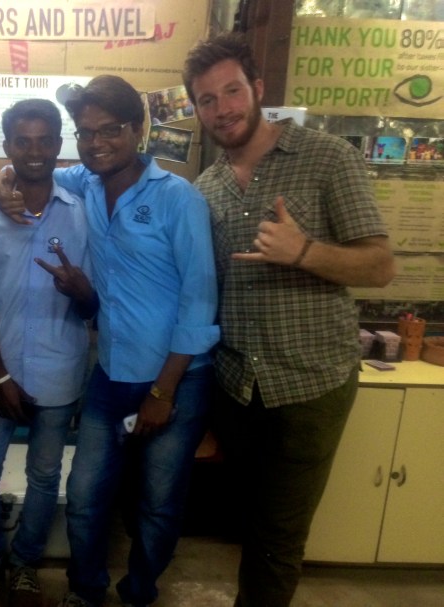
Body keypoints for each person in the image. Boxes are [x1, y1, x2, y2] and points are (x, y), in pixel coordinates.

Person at [182, 32, 395, 607]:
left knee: (278, 536)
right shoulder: (205, 188)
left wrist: (303, 251)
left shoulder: (328, 157)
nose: (223, 108)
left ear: (257, 89)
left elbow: (380, 266)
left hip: (310, 385)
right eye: (207, 99)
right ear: (197, 110)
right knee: (250, 522)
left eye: (232, 91)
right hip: (236, 388)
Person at [0, 75, 219, 607]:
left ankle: (139, 591)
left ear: (138, 129)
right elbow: (33, 166)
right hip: (110, 373)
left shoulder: (178, 199)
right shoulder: (85, 183)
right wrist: (4, 180)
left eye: (110, 130)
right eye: (85, 132)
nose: (96, 143)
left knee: (157, 503)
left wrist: (163, 391)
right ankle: (86, 589)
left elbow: (199, 302)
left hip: (176, 379)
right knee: (86, 495)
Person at [0, 99, 96, 607]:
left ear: (58, 144)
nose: (35, 151)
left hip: (59, 373)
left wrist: (83, 293)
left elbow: (92, 306)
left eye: (44, 140)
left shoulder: (83, 213)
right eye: (23, 141)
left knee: (44, 477)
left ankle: (25, 564)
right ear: (7, 146)